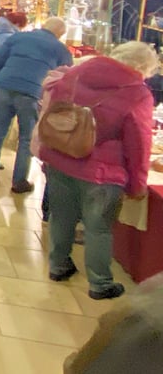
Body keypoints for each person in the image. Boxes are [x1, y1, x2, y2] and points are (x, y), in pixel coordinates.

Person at [41, 41, 156, 301]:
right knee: (99, 229)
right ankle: (100, 284)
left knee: (61, 217)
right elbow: (139, 142)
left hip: (61, 156)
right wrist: (137, 184)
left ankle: (58, 266)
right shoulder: (137, 93)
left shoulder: (79, 71)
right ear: (141, 67)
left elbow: (56, 109)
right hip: (102, 171)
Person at [0, 17, 73, 193]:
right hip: (32, 93)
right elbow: (66, 77)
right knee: (26, 138)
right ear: (59, 33)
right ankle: (19, 181)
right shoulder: (60, 49)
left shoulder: (17, 37)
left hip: (4, 85)